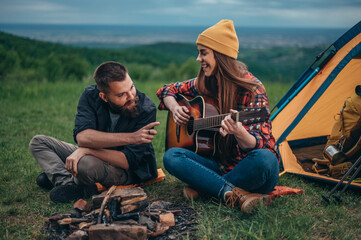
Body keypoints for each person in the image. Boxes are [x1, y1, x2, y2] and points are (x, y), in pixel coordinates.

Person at [156, 20, 280, 214]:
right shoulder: (206, 81)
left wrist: (239, 133)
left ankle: (208, 188)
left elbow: (259, 144)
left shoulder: (252, 89)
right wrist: (175, 108)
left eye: (203, 53)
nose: (198, 59)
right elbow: (166, 90)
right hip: (220, 165)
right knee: (172, 156)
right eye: (199, 52)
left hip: (249, 168)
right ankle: (234, 193)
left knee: (266, 159)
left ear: (221, 55)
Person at [29, 61, 160, 203]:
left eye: (132, 87)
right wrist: (132, 138)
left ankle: (66, 179)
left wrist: (86, 151)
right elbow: (83, 138)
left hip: (128, 170)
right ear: (104, 96)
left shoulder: (146, 108)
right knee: (38, 142)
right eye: (121, 94)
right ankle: (67, 183)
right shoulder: (90, 96)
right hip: (96, 154)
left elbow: (128, 161)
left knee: (84, 164)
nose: (131, 96)